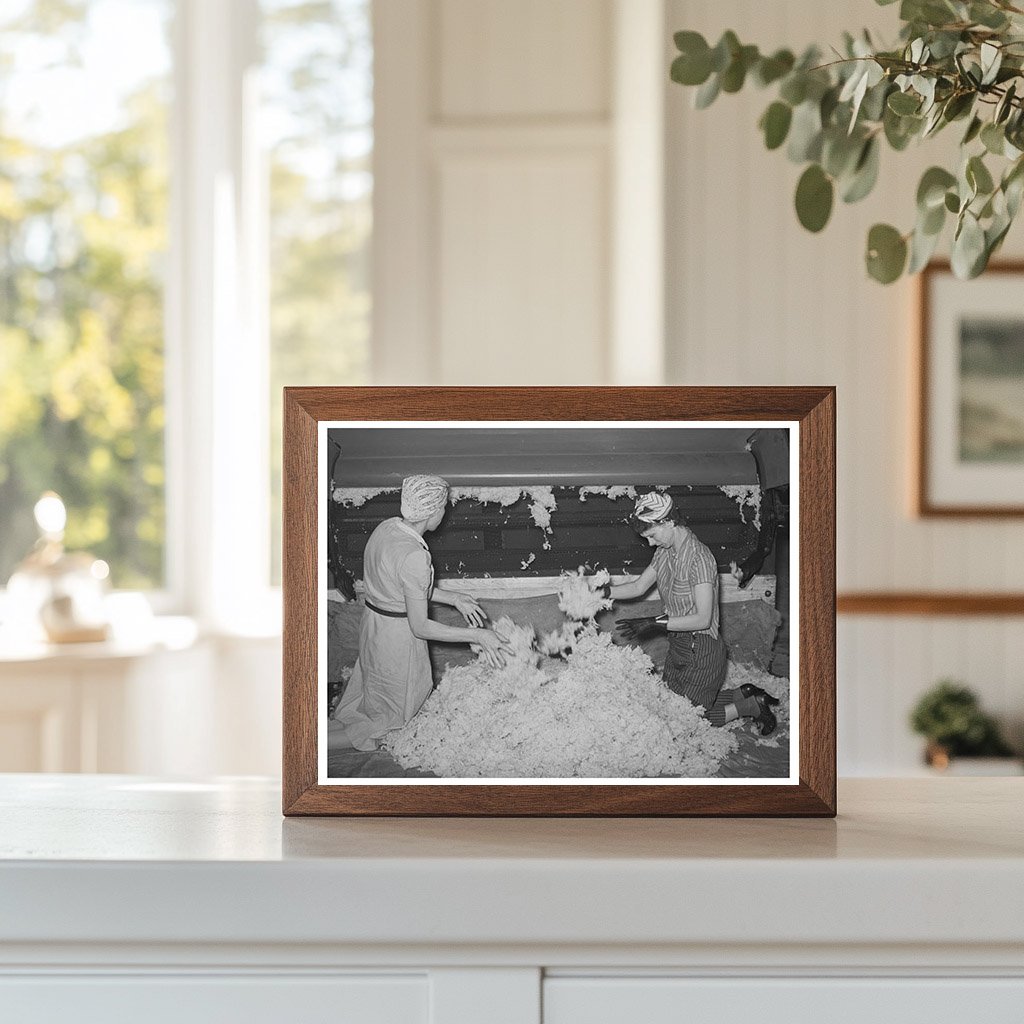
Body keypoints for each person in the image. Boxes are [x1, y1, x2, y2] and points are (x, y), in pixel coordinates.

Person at [333, 473, 508, 751]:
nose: (445, 511)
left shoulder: (387, 529)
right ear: (433, 511)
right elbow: (421, 627)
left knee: (369, 703)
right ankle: (307, 747)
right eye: (444, 506)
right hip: (397, 641)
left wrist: (453, 598)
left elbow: (400, 587)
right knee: (386, 723)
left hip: (374, 627)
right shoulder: (415, 556)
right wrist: (477, 635)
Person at [610, 491, 778, 735]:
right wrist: (601, 593)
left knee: (686, 721)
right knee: (670, 705)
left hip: (702, 651)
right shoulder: (665, 551)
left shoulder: (700, 559)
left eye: (652, 535)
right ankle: (743, 692)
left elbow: (703, 618)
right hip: (679, 646)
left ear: (668, 522)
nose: (650, 543)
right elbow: (638, 586)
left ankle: (750, 706)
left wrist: (652, 622)